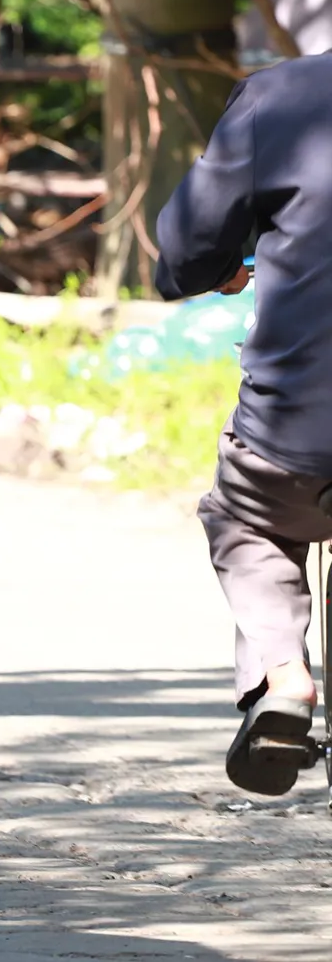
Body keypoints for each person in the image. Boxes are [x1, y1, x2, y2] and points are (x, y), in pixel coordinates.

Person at [156, 53, 332, 795]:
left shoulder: (283, 95)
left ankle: (284, 675)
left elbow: (186, 249)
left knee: (245, 517)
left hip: (296, 429)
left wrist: (217, 265)